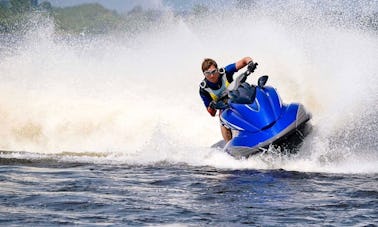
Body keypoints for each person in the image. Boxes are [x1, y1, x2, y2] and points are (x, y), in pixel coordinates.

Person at [199, 57, 254, 142]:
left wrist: (250, 63)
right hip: (225, 107)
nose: (212, 76)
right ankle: (229, 145)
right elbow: (212, 113)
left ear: (217, 69)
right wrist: (212, 105)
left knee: (251, 94)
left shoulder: (226, 72)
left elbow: (245, 60)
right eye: (208, 73)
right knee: (222, 118)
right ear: (204, 74)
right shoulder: (204, 89)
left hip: (238, 98)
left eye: (214, 72)